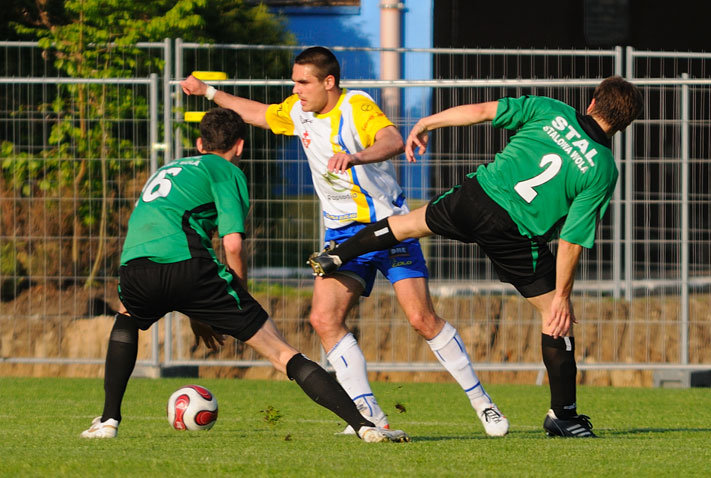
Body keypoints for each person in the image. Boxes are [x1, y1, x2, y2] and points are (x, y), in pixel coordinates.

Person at [180, 47, 509, 437]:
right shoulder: (299, 110)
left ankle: (483, 404)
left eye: (303, 82)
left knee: (422, 319)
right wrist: (208, 92)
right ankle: (369, 416)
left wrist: (356, 158)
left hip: (389, 227)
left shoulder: (357, 106)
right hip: (341, 233)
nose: (296, 89)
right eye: (294, 82)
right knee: (324, 319)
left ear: (328, 82)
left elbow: (390, 140)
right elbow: (260, 115)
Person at [308, 76, 644, 438]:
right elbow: (572, 241)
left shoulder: (551, 110)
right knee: (555, 317)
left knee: (408, 224)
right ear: (625, 124)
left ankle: (338, 256)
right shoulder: (603, 168)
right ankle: (564, 415)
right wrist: (561, 298)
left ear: (593, 101)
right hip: (515, 235)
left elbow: (482, 111)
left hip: (477, 197)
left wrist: (426, 122)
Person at [80, 108, 408, 443]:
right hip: (188, 265)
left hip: (134, 266)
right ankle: (364, 426)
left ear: (198, 143)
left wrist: (200, 310)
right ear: (240, 146)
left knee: (128, 319)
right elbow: (232, 245)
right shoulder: (224, 170)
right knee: (283, 354)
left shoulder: (168, 169)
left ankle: (108, 420)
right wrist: (238, 298)